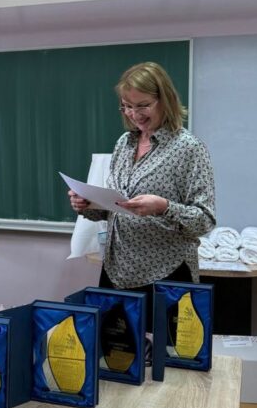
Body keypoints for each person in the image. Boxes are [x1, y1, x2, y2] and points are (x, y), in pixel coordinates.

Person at [68, 61, 216, 306]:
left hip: (165, 274)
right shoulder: (124, 143)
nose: (134, 114)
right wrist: (87, 205)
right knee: (111, 333)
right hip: (116, 270)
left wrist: (164, 207)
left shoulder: (188, 148)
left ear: (165, 100)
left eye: (143, 106)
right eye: (127, 106)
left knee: (162, 334)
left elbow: (205, 221)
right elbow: (116, 208)